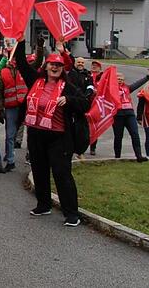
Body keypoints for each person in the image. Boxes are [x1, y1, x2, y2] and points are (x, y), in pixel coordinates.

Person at [14, 40, 94, 227]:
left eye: (58, 65)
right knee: (40, 171)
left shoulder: (67, 85)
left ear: (62, 68)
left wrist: (69, 100)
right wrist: (21, 41)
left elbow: (85, 104)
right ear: (46, 66)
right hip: (36, 134)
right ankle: (43, 205)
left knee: (61, 174)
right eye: (52, 64)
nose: (55, 67)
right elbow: (22, 63)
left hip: (59, 137)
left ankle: (71, 213)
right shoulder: (35, 80)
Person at [0, 38, 27, 171]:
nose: (13, 59)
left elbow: (37, 63)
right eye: (11, 57)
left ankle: (32, 157)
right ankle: (10, 160)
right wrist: (0, 109)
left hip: (25, 107)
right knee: (10, 134)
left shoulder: (25, 68)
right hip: (10, 108)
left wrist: (41, 49)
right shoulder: (3, 72)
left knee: (30, 134)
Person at [112, 71, 149, 162]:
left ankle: (139, 156)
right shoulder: (111, 89)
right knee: (118, 136)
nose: (120, 81)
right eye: (118, 79)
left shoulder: (127, 88)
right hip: (118, 115)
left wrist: (147, 77)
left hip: (129, 114)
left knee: (135, 134)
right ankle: (117, 156)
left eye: (121, 79)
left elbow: (137, 84)